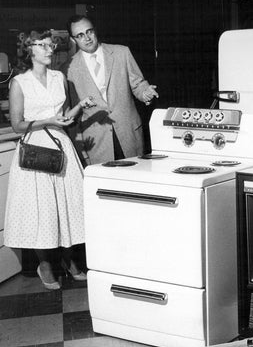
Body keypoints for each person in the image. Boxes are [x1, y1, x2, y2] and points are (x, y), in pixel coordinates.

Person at [4, 28, 96, 290]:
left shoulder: (59, 77)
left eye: (51, 45)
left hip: (61, 145)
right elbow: (18, 125)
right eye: (42, 45)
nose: (49, 50)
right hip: (35, 150)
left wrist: (80, 107)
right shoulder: (19, 83)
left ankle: (69, 260)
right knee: (43, 209)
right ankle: (44, 264)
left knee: (69, 204)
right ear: (28, 50)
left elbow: (64, 116)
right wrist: (48, 120)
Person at [62, 15, 158, 165]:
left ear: (95, 31)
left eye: (89, 32)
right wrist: (82, 151)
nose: (87, 38)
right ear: (73, 40)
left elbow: (138, 84)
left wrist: (145, 93)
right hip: (96, 142)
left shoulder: (121, 53)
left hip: (128, 133)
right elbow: (74, 116)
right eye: (80, 35)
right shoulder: (68, 69)